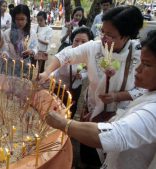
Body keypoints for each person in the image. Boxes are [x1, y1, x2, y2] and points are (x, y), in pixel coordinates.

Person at [39, 6, 144, 168]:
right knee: (88, 151)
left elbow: (145, 90)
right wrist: (47, 72)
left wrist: (117, 96)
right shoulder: (94, 47)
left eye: (111, 35)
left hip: (122, 114)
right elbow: (66, 55)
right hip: (93, 110)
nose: (104, 38)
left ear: (127, 36)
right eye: (103, 32)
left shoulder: (139, 54)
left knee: (113, 153)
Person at [53, 27, 94, 118]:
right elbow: (55, 66)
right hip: (59, 84)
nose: (79, 44)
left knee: (70, 107)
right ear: (72, 41)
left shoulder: (90, 54)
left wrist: (82, 75)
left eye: (84, 42)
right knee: (56, 107)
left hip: (75, 86)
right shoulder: (67, 52)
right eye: (76, 40)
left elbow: (90, 70)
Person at [4, 4, 37, 77]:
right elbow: (5, 49)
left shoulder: (32, 33)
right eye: (17, 19)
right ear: (13, 19)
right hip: (11, 66)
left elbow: (35, 48)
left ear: (27, 19)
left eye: (22, 19)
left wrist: (32, 51)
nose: (19, 22)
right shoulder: (7, 33)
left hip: (25, 66)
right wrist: (4, 54)